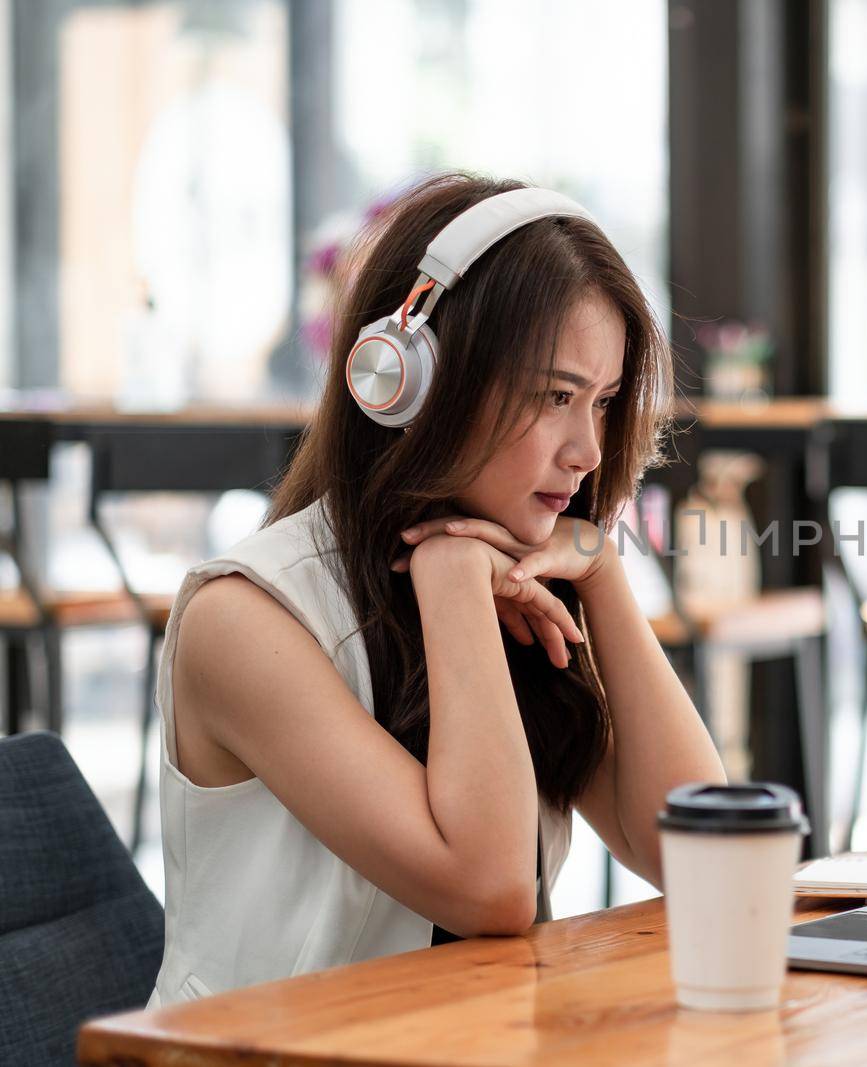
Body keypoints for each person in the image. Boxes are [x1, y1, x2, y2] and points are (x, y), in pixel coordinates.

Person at [145, 174, 725, 1006]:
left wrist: (601, 568)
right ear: (409, 381)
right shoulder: (245, 618)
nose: (588, 451)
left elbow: (697, 852)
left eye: (600, 403)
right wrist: (450, 578)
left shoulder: (519, 581)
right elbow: (488, 889)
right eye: (555, 396)